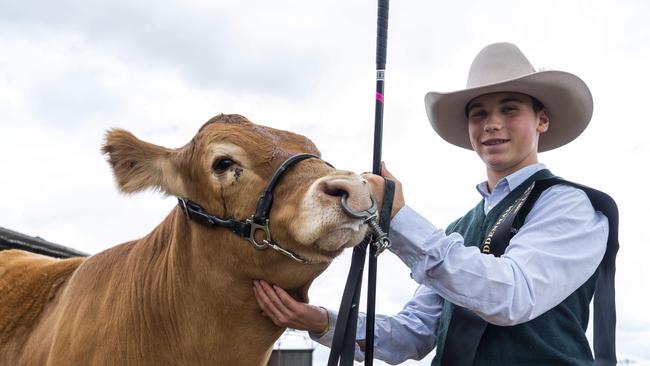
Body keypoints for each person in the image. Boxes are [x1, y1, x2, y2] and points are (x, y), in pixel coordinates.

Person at [253, 42, 614, 365]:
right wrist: (322, 321)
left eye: (509, 109)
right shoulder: (458, 230)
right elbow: (413, 335)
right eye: (479, 114)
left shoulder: (570, 206)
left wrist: (397, 219)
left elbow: (512, 296)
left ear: (543, 119)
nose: (492, 124)